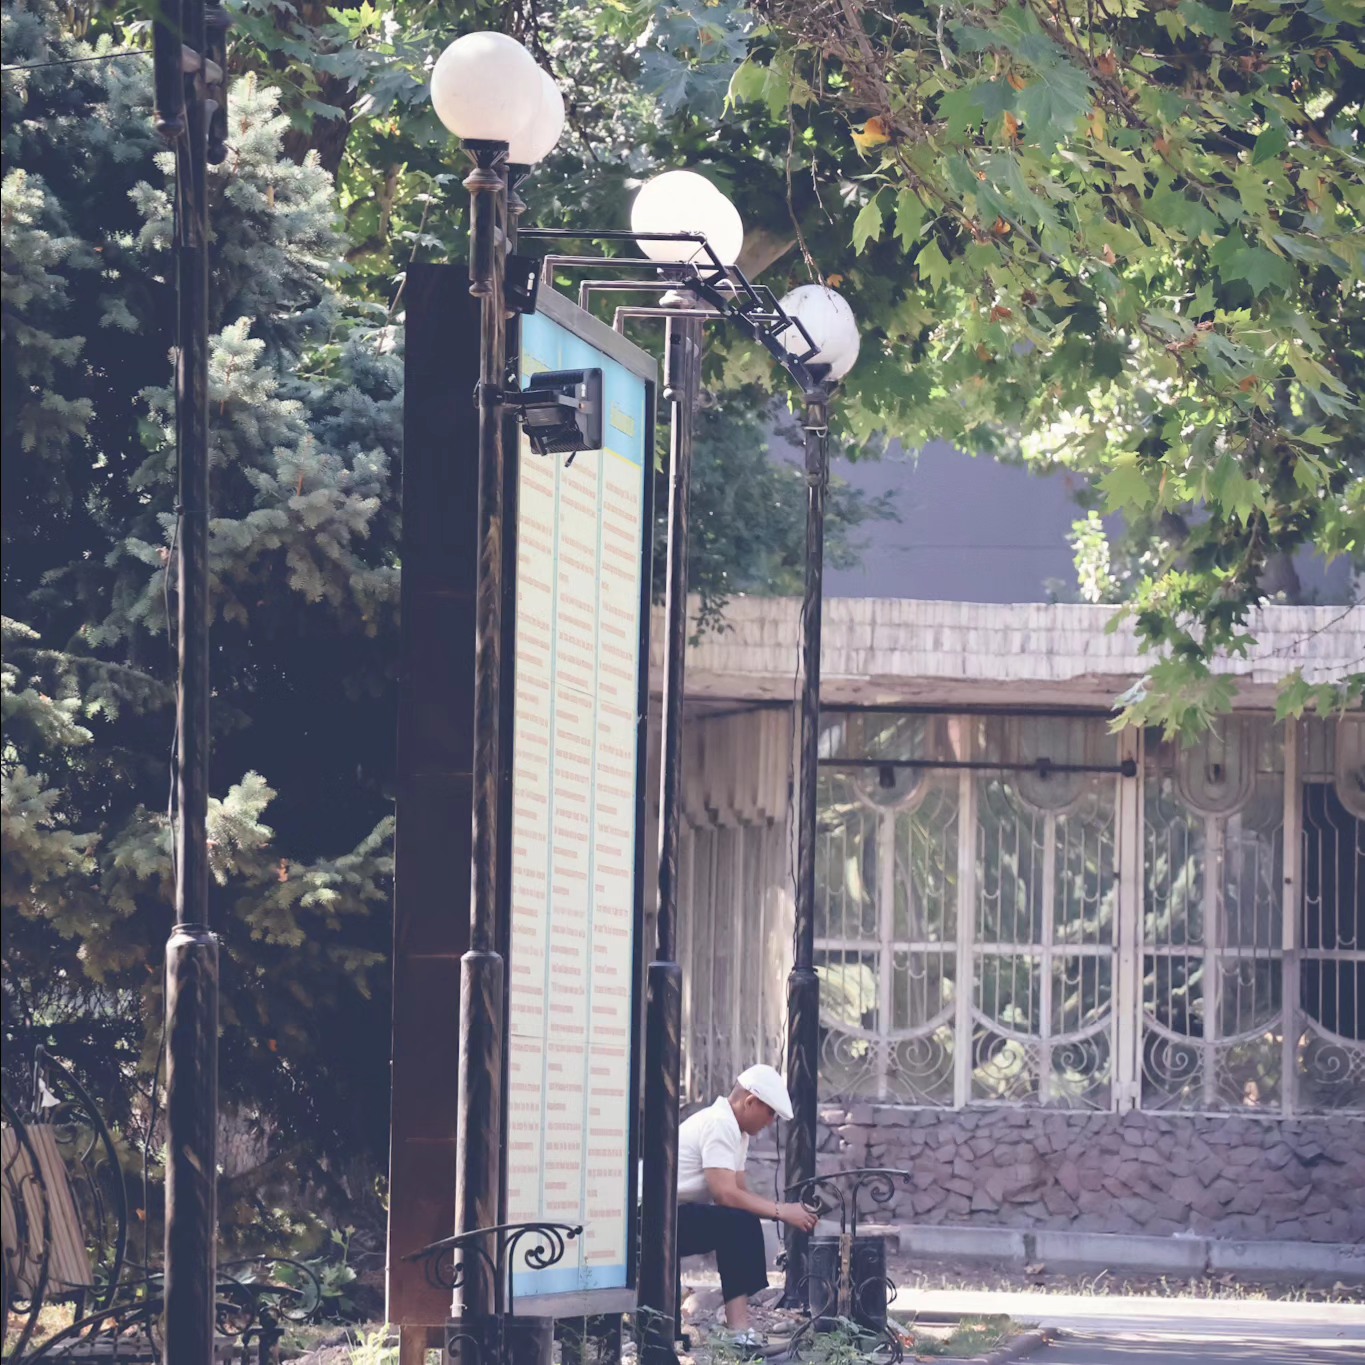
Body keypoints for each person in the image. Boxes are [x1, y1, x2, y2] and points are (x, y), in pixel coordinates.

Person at [676, 1064, 819, 1348]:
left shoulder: (735, 1130)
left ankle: (739, 1327)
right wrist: (781, 1211)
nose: (769, 1122)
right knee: (738, 1222)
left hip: (676, 1213)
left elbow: (739, 1192)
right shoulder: (719, 1123)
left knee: (741, 1220)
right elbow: (725, 1195)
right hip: (653, 1217)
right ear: (750, 1101)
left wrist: (783, 1211)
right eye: (769, 1113)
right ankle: (738, 1329)